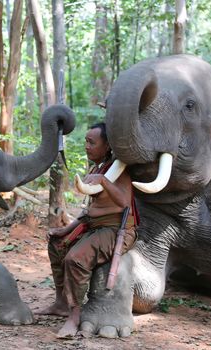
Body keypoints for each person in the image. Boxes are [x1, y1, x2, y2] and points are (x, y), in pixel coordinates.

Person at [37, 122, 138, 338]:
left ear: (107, 145)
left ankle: (74, 316)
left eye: (92, 142)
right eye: (86, 141)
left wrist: (103, 180)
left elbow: (124, 203)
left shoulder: (118, 171)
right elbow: (89, 211)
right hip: (94, 227)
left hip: (115, 230)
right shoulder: (98, 169)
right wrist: (65, 231)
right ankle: (62, 302)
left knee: (75, 258)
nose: (86, 146)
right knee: (57, 245)